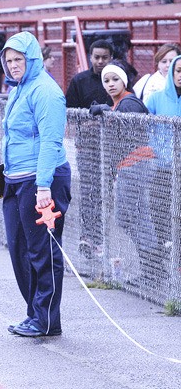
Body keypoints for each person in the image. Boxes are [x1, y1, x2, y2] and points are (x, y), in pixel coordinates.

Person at [0, 31, 71, 337]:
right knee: (19, 249)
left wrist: (43, 186)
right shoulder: (19, 88)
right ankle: (34, 314)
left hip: (40, 180)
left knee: (43, 252)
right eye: (9, 60)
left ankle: (46, 319)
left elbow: (51, 141)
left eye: (20, 59)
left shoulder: (46, 91)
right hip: (15, 179)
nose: (14, 65)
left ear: (32, 59)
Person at [90, 61, 158, 280]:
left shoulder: (129, 103)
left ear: (124, 81)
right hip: (127, 165)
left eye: (115, 79)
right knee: (128, 218)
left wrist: (108, 116)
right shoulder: (118, 104)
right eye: (106, 80)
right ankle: (149, 269)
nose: (110, 84)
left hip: (137, 164)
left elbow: (130, 134)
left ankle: (152, 271)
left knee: (136, 218)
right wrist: (108, 112)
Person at [66, 39, 114, 259]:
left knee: (109, 194)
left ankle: (105, 239)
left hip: (112, 148)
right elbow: (69, 112)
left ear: (111, 58)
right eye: (97, 57)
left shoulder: (117, 80)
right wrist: (86, 123)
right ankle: (89, 237)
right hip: (87, 148)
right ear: (90, 57)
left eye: (105, 57)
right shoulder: (80, 81)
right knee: (89, 192)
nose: (100, 61)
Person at [145, 54, 181, 256]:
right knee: (159, 209)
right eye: (178, 71)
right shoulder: (157, 97)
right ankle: (164, 249)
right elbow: (145, 126)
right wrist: (157, 150)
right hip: (163, 167)